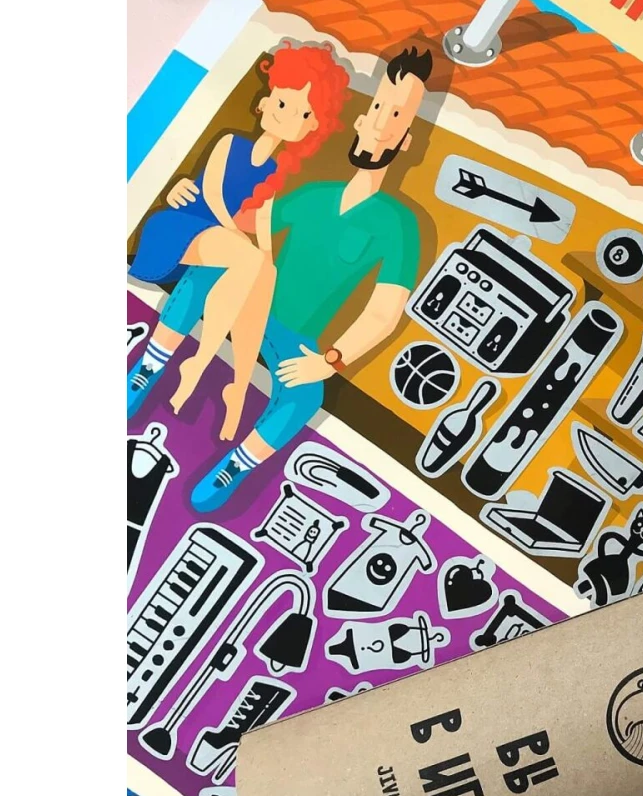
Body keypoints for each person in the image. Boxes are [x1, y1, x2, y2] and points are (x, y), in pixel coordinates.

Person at [127, 46, 433, 512]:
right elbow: (242, 223)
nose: (378, 125)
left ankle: (236, 466)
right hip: (253, 296)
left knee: (306, 397)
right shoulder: (313, 194)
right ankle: (146, 371)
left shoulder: (398, 225)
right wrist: (186, 194)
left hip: (295, 334)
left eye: (395, 116)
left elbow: (384, 312)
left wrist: (331, 360)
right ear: (358, 120)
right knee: (208, 271)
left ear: (405, 139)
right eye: (376, 109)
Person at [128, 40, 350, 440]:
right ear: (266, 101)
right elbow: (213, 194)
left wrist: (267, 266)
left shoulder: (274, 173)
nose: (288, 116)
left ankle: (237, 385)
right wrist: (243, 244)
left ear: (310, 127)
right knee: (246, 259)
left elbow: (263, 224)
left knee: (260, 268)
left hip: (216, 246)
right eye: (283, 103)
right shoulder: (231, 143)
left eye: (303, 113)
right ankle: (195, 363)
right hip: (180, 228)